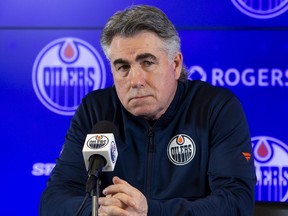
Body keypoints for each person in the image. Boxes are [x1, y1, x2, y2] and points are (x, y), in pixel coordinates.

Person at [40, 4, 256, 216]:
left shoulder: (216, 108)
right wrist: (101, 212)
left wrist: (150, 211)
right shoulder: (96, 110)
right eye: (123, 67)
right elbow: (53, 201)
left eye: (147, 62)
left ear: (176, 64)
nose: (135, 80)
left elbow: (237, 203)